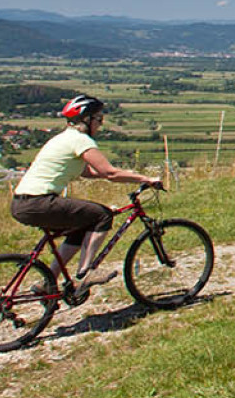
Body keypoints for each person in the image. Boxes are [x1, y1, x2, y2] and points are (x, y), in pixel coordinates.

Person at [11, 95, 161, 288]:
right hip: (39, 202)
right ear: (86, 119)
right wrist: (145, 179)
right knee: (102, 215)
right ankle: (86, 272)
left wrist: (124, 175)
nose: (100, 124)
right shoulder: (80, 140)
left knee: (81, 227)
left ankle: (48, 281)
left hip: (22, 204)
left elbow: (86, 171)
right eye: (98, 119)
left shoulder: (63, 138)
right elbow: (109, 172)